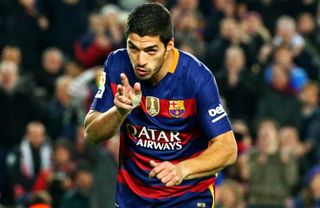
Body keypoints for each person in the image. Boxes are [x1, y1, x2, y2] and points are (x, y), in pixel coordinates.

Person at [84, 3, 237, 207]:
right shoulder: (117, 65)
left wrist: (182, 169)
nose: (141, 60)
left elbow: (228, 148)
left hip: (187, 196)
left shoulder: (196, 78)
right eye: (134, 48)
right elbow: (92, 134)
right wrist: (119, 112)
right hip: (133, 197)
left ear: (169, 46)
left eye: (151, 50)